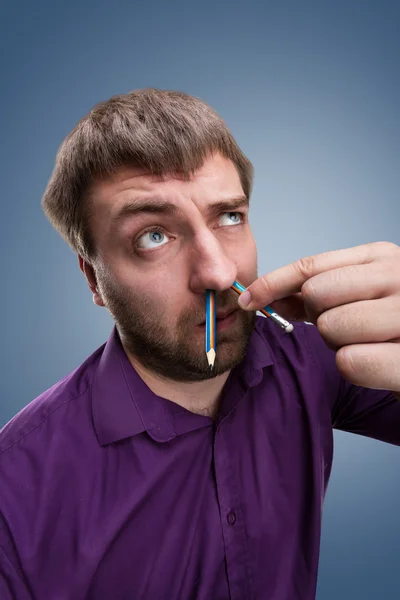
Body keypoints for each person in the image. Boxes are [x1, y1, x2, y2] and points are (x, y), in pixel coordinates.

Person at [0, 88, 399, 600]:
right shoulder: (16, 496)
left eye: (229, 216)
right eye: (153, 236)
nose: (217, 272)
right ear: (93, 280)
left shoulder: (310, 353)